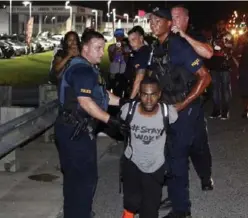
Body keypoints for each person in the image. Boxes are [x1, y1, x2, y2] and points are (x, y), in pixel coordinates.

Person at [54, 30, 129, 218]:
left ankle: (78, 212)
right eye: (97, 48)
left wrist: (124, 102)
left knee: (76, 178)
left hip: (75, 129)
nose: (102, 52)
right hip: (74, 131)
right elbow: (85, 102)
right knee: (83, 179)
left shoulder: (88, 67)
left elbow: (103, 96)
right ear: (85, 48)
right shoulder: (82, 70)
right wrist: (111, 121)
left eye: (102, 48)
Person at [149, 7, 211, 218]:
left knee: (177, 158)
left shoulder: (179, 46)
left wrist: (184, 104)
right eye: (151, 20)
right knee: (170, 158)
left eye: (159, 20)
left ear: (170, 24)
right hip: (166, 110)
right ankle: (177, 200)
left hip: (184, 111)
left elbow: (205, 77)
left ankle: (182, 210)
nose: (153, 23)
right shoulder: (157, 47)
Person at [120, 76, 178, 218]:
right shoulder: (128, 110)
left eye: (153, 95)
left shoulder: (168, 113)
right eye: (145, 94)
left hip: (155, 165)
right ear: (139, 94)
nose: (149, 99)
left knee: (150, 207)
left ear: (159, 94)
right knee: (130, 202)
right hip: (132, 162)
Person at [170, 4, 214, 190]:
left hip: (192, 99)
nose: (173, 21)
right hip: (171, 99)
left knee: (198, 145)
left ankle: (205, 176)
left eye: (177, 17)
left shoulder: (193, 37)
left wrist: (184, 36)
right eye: (171, 17)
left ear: (186, 20)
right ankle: (177, 190)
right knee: (173, 147)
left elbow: (208, 53)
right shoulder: (166, 40)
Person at [209, 19, 233, 120]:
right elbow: (210, 47)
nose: (220, 26)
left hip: (224, 64)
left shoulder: (228, 35)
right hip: (214, 63)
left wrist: (223, 45)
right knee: (215, 89)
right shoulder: (214, 35)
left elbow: (232, 47)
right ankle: (216, 110)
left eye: (222, 24)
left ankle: (225, 111)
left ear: (225, 25)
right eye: (218, 24)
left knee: (225, 88)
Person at [126, 26, 151, 99]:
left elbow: (139, 78)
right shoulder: (138, 52)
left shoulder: (143, 53)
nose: (131, 43)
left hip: (140, 93)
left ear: (141, 38)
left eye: (133, 40)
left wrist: (131, 100)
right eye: (129, 41)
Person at [108, 28, 131, 97]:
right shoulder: (111, 47)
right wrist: (116, 51)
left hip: (123, 72)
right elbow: (111, 59)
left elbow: (127, 60)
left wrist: (123, 51)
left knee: (124, 89)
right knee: (113, 89)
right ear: (115, 36)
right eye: (117, 36)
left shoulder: (127, 47)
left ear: (123, 37)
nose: (119, 38)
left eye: (120, 36)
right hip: (114, 71)